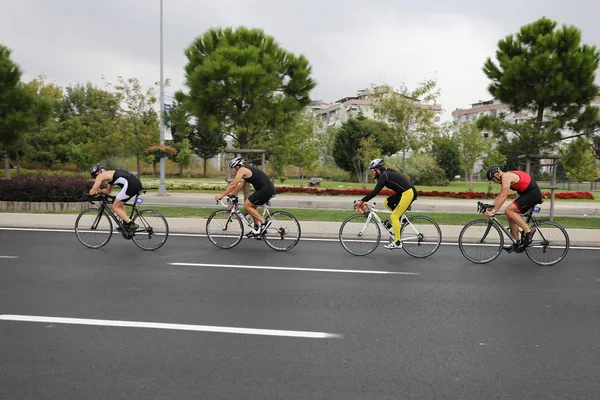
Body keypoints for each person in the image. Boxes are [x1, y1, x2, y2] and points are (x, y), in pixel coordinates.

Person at [356, 158, 418, 250]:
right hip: (404, 193)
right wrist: (364, 200)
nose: (371, 173)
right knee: (387, 202)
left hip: (408, 193)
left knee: (394, 216)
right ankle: (400, 220)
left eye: (372, 171)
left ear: (377, 170)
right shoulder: (384, 175)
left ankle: (397, 243)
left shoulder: (384, 176)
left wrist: (362, 200)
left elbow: (375, 192)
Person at [484, 165, 542, 249]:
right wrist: (491, 207)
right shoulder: (505, 178)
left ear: (497, 175)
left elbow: (504, 196)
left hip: (533, 194)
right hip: (526, 194)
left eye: (493, 180)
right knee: (510, 215)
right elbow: (499, 196)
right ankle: (517, 242)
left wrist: (493, 212)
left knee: (508, 210)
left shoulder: (506, 177)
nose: (494, 182)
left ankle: (528, 230)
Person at [215, 157, 277, 236]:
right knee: (252, 206)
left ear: (237, 167)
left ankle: (264, 222)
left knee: (247, 205)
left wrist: (221, 195)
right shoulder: (246, 171)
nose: (232, 170)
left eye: (232, 168)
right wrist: (232, 193)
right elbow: (242, 185)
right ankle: (257, 228)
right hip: (265, 189)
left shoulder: (242, 170)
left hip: (265, 190)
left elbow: (233, 185)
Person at [89, 164, 143, 232]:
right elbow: (108, 191)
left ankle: (131, 224)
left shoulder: (100, 176)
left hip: (130, 185)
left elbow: (92, 192)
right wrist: (101, 191)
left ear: (98, 173)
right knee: (120, 204)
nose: (97, 178)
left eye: (95, 177)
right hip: (136, 184)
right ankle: (125, 223)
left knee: (115, 206)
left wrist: (89, 194)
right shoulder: (111, 174)